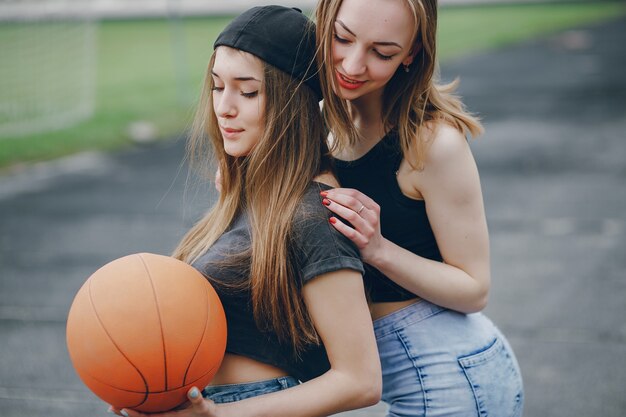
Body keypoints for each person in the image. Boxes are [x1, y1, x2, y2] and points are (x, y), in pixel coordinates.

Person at [110, 6, 381, 417]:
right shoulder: (249, 198)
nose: (225, 107)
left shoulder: (315, 215)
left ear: (292, 103)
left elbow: (360, 380)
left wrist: (221, 414)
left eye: (248, 91)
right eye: (218, 87)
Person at [314, 0, 524, 416]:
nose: (353, 65)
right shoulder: (321, 122)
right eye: (342, 38)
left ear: (411, 54)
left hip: (455, 381)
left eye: (383, 52)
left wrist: (379, 249)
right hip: (409, 376)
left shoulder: (432, 144)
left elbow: (474, 288)